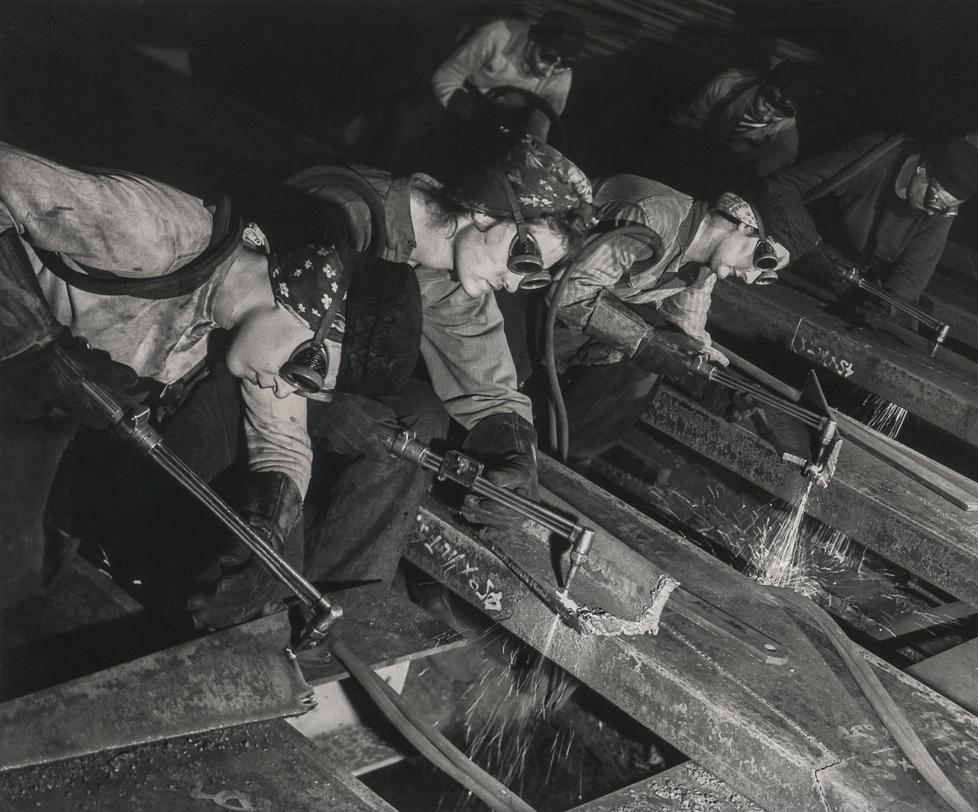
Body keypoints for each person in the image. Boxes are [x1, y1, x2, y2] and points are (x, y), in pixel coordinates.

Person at [0, 136, 594, 629]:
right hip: (36, 361)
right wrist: (33, 340)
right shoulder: (158, 231)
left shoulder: (299, 321)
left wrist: (268, 523)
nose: (517, 286)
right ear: (487, 212)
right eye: (523, 258)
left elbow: (283, 429)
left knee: (27, 566)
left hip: (70, 387)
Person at [532, 174, 814, 466]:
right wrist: (644, 342)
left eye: (766, 274)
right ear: (744, 223)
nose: (752, 276)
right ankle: (556, 456)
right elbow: (569, 294)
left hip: (561, 324)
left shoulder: (702, 265)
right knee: (640, 352)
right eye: (763, 262)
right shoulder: (653, 218)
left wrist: (723, 386)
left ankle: (564, 457)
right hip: (523, 295)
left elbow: (686, 331)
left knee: (660, 348)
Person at [768, 133, 978, 327]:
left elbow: (914, 271)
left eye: (947, 208)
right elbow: (781, 186)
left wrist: (887, 306)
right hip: (798, 254)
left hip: (847, 280)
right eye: (935, 201)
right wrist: (811, 246)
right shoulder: (871, 159)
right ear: (922, 168)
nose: (933, 213)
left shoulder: (940, 208)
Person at [379, 10, 585, 173]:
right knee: (409, 116)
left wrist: (531, 154)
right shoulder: (497, 34)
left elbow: (540, 125)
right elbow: (446, 74)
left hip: (504, 115)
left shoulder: (562, 75)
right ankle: (382, 170)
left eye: (564, 64)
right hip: (462, 94)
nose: (550, 71)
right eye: (547, 57)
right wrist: (458, 106)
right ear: (532, 41)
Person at [668, 61, 817, 186]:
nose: (770, 111)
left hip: (724, 177)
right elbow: (682, 123)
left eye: (786, 110)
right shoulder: (729, 84)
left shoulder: (785, 146)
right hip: (692, 148)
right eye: (770, 96)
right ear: (763, 83)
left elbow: (749, 180)